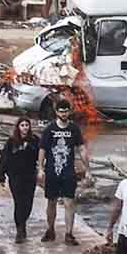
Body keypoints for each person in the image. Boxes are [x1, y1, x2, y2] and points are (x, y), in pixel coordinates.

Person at [38, 99, 89, 245]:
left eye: (66, 111)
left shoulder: (74, 129)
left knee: (69, 202)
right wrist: (40, 168)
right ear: (56, 112)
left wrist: (87, 169)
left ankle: (69, 233)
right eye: (61, 111)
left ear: (69, 111)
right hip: (52, 171)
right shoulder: (50, 129)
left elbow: (81, 149)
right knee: (51, 202)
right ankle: (50, 229)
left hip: (68, 172)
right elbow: (42, 149)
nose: (64, 113)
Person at [0, 118, 39, 243]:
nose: (25, 127)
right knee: (19, 203)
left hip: (30, 176)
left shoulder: (35, 140)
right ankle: (19, 230)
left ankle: (23, 223)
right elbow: (4, 158)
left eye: (27, 125)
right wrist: (1, 175)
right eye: (22, 125)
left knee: (28, 203)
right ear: (18, 127)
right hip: (15, 176)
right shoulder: (11, 142)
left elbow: (41, 154)